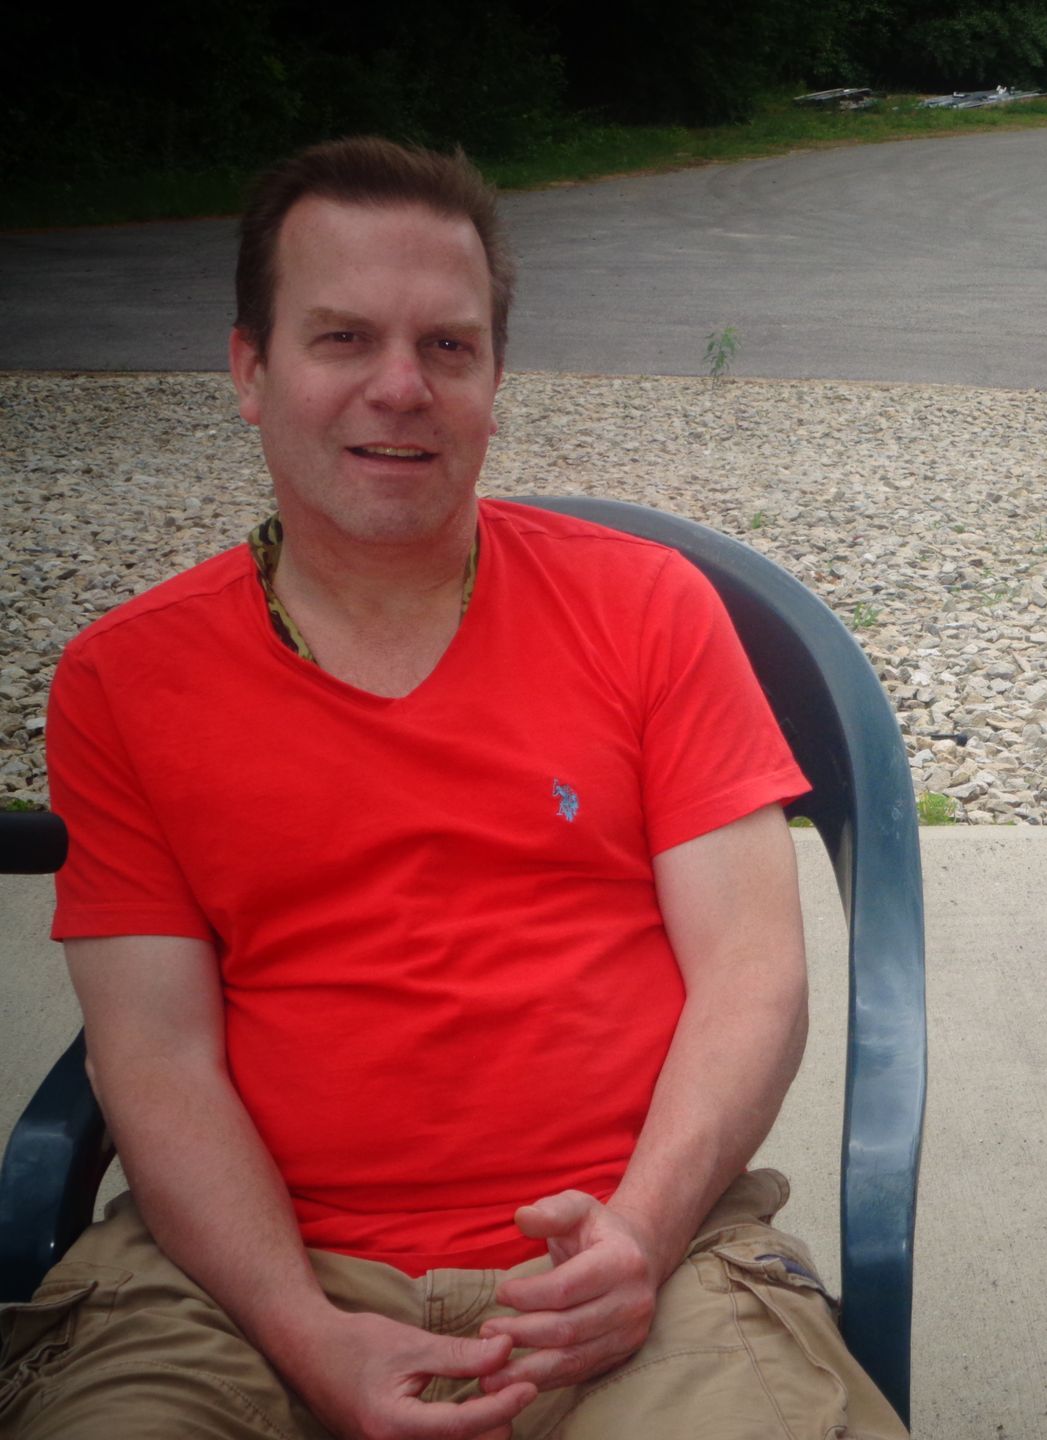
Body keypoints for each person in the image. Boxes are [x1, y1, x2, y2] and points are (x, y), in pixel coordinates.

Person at [1, 137, 907, 1440]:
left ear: (492, 378)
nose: (398, 388)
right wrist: (306, 1336)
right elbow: (156, 1057)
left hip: (633, 1262)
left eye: (447, 347)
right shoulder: (125, 682)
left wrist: (639, 1244)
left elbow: (753, 978)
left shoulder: (648, 612)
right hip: (244, 1290)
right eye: (341, 339)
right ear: (250, 370)